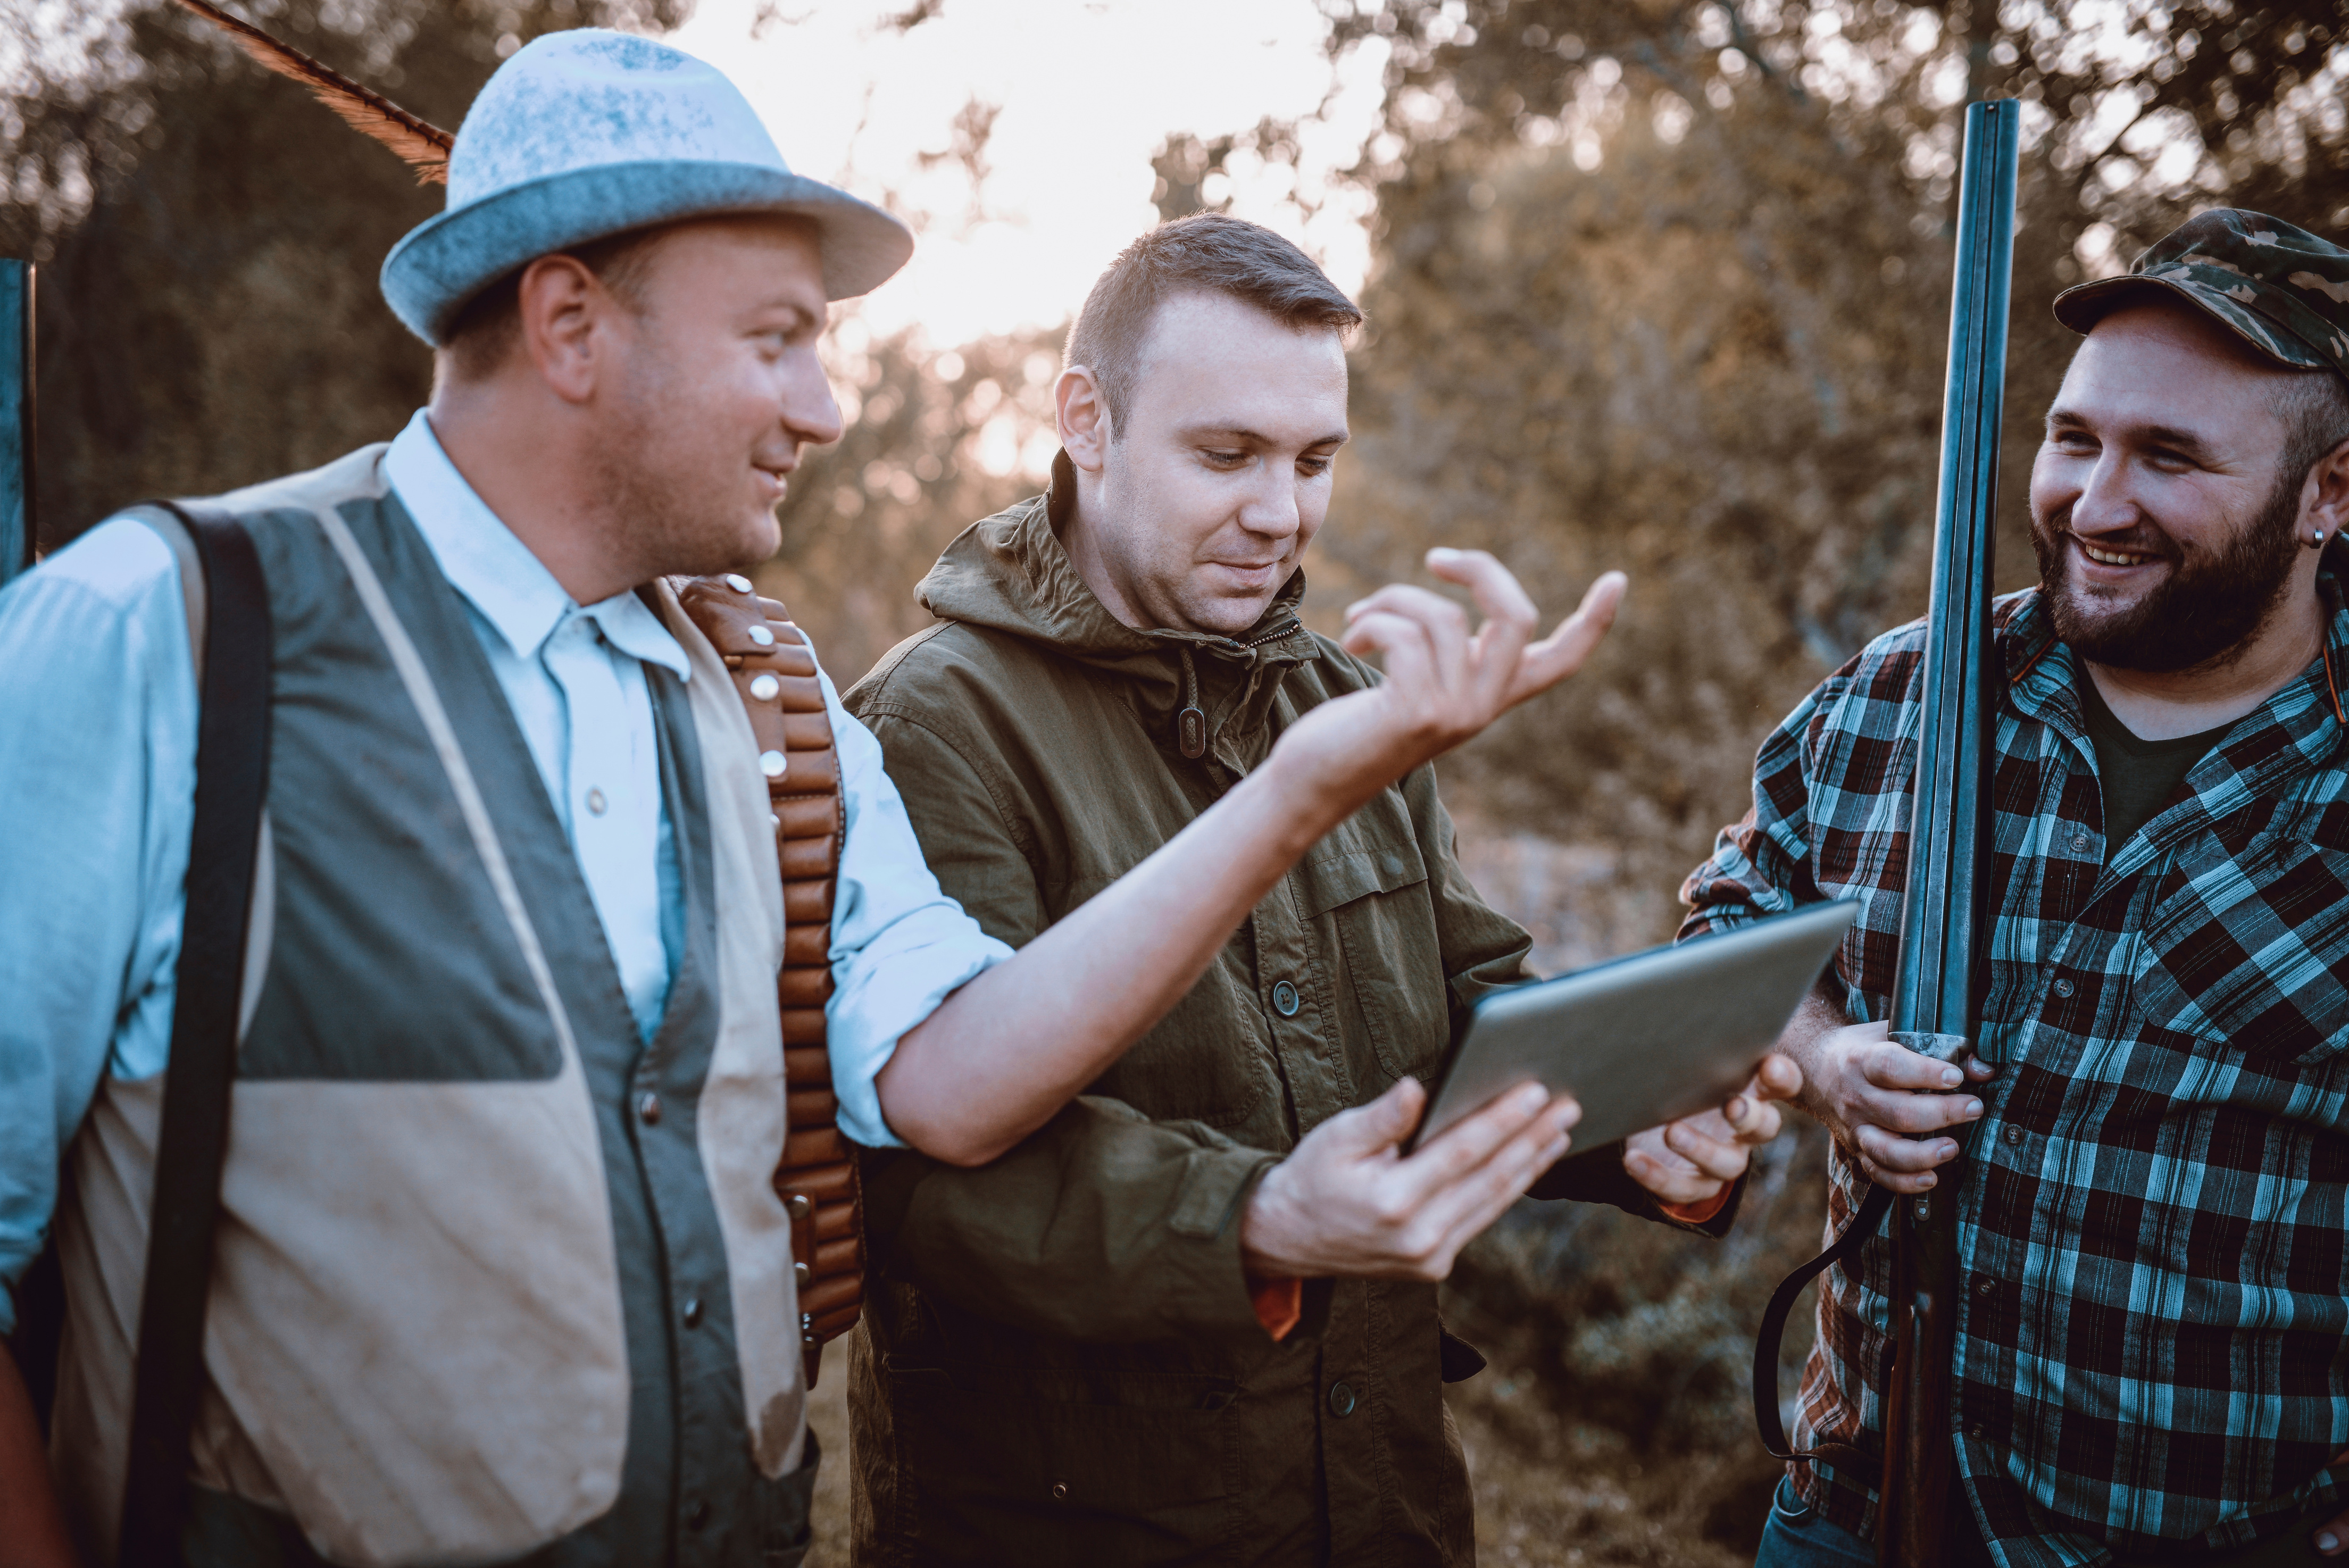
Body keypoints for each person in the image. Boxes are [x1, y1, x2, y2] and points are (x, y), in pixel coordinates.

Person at [0, 34, 1653, 1568]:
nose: (828, 404)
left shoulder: (774, 705)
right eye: (776, 340)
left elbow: (949, 1082)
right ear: (571, 325)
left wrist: (1299, 791)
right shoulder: (164, 631)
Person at [839, 212, 1804, 1565]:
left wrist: (1627, 1130)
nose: (1281, 512)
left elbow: (1464, 1011)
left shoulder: (1345, 697)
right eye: (1226, 454)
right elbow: (922, 1180)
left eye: (1314, 460)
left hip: (1382, 1499)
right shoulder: (935, 724)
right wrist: (1260, 1220)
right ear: (1087, 420)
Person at [1685, 209, 2349, 1567]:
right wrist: (1826, 1054)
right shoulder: (1907, 690)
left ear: (2331, 494)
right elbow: (1730, 916)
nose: (2097, 504)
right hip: (1852, 1513)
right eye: (2076, 440)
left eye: (2169, 457)